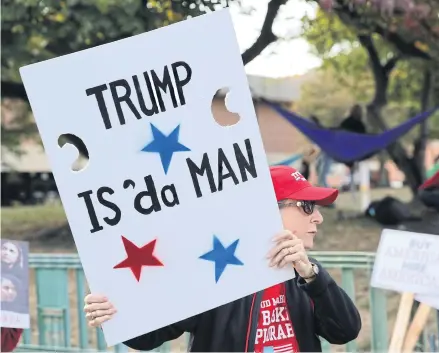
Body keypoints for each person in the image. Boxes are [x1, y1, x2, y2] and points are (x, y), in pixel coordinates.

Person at [83, 166, 361, 352]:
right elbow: (150, 336)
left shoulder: (306, 274)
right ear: (267, 209)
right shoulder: (217, 268)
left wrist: (313, 276)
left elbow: (345, 331)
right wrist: (113, 313)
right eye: (306, 206)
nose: (318, 217)